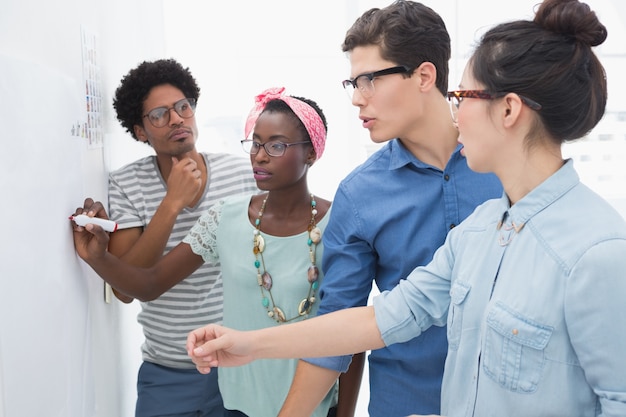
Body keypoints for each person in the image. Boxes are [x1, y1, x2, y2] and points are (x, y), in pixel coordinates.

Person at [186, 0, 626, 416]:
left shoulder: (597, 252)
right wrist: (250, 343)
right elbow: (382, 318)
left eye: (463, 98)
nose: (456, 113)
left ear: (508, 109)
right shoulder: (479, 231)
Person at [278, 2, 502, 417]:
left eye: (368, 80)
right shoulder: (359, 195)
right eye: (353, 83)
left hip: (510, 402)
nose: (357, 100)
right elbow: (337, 327)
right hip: (407, 402)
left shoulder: (506, 162)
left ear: (423, 75)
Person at [72, 87, 339, 417]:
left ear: (311, 153)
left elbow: (348, 334)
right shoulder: (225, 215)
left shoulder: (336, 222)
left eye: (276, 145)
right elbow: (144, 285)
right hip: (211, 385)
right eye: (255, 143)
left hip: (295, 390)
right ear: (140, 129)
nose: (260, 155)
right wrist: (99, 256)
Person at [79, 58, 258, 417]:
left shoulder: (241, 174)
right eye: (159, 114)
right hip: (168, 374)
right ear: (140, 131)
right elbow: (126, 287)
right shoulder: (127, 183)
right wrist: (172, 202)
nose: (177, 119)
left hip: (242, 364)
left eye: (183, 107)